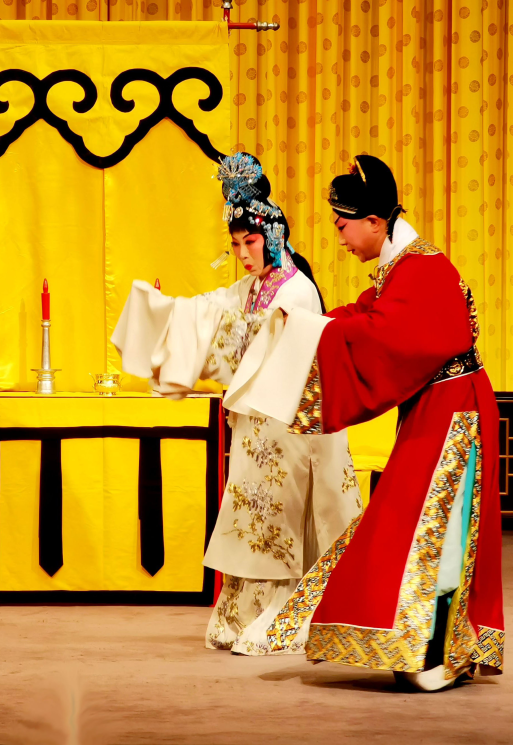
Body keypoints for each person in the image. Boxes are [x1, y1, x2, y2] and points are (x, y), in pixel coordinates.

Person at [228, 155, 504, 690]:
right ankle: (432, 646)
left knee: (435, 530)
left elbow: (387, 334)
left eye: (343, 226)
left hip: (457, 412)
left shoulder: (423, 268)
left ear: (375, 222)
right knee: (417, 526)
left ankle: (437, 650)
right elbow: (367, 314)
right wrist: (313, 325)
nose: (340, 238)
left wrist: (320, 332)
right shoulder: (403, 267)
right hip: (437, 407)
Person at [112, 153, 362, 655]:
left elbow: (261, 343)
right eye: (235, 245)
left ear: (273, 236)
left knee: (281, 518)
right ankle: (243, 612)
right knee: (250, 517)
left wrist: (224, 331)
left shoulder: (298, 291)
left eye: (250, 242)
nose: (243, 254)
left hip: (292, 428)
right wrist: (167, 314)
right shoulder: (248, 288)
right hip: (254, 425)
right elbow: (210, 312)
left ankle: (289, 610)